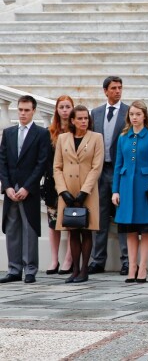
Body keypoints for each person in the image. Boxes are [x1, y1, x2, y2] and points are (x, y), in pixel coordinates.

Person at [0, 95, 51, 284]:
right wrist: (6, 187)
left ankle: (30, 270)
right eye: (20, 109)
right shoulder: (9, 132)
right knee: (12, 229)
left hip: (29, 190)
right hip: (11, 189)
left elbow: (42, 163)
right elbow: (2, 161)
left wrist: (28, 187)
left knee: (30, 229)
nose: (22, 113)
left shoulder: (41, 133)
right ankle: (14, 269)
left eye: (26, 110)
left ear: (34, 111)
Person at [112, 100, 148, 283]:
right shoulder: (122, 138)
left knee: (146, 230)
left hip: (145, 189)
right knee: (130, 231)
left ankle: (143, 267)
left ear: (144, 116)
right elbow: (118, 165)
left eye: (138, 114)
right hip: (126, 189)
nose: (134, 117)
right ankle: (131, 266)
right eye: (132, 114)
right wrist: (115, 191)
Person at [53, 105, 104, 283]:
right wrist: (63, 191)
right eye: (80, 118)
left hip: (87, 191)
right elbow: (57, 167)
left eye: (86, 118)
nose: (83, 121)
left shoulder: (96, 138)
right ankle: (74, 270)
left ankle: (84, 270)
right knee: (72, 231)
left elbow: (96, 167)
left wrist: (84, 191)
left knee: (86, 230)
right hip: (67, 190)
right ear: (72, 121)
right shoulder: (62, 138)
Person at [89, 76, 129, 275]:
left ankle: (127, 261)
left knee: (122, 216)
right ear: (105, 91)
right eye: (114, 88)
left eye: (120, 88)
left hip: (120, 171)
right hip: (99, 171)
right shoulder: (95, 113)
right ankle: (97, 260)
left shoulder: (129, 112)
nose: (118, 91)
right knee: (100, 217)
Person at [45, 95, 75, 275]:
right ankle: (54, 259)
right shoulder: (50, 132)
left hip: (72, 181)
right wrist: (56, 177)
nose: (64, 110)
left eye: (67, 107)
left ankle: (69, 259)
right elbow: (45, 158)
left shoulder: (77, 130)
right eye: (61, 107)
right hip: (53, 183)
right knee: (53, 223)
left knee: (71, 220)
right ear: (56, 109)